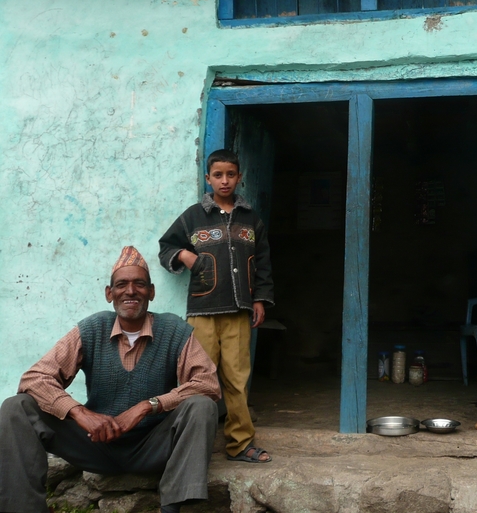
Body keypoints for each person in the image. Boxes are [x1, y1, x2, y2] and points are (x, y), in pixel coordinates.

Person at [0, 246, 221, 513]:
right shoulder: (92, 329)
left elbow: (207, 384)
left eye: (139, 284)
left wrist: (146, 406)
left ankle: (171, 508)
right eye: (121, 285)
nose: (130, 291)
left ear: (151, 292)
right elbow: (34, 378)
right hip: (96, 445)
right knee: (16, 407)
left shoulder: (174, 330)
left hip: (152, 447)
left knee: (201, 405)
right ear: (109, 293)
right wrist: (79, 413)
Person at [158, 149, 274, 464]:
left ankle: (240, 443)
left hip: (239, 312)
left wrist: (260, 298)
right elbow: (166, 245)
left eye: (231, 175)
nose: (225, 181)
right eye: (218, 175)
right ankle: (193, 446)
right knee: (200, 379)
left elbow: (263, 261)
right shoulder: (193, 216)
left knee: (237, 380)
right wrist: (184, 256)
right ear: (207, 178)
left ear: (239, 177)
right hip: (202, 313)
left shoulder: (251, 219)